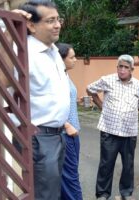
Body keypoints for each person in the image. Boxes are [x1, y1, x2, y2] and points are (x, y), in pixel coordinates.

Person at [4, 1, 71, 199]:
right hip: (38, 138)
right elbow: (0, 79)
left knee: (52, 191)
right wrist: (9, 31)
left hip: (57, 135)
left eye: (58, 19)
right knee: (44, 195)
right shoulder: (24, 53)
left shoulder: (53, 52)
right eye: (50, 21)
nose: (57, 25)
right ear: (31, 25)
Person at [86, 54, 139, 200]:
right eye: (120, 66)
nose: (122, 70)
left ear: (132, 69)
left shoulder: (138, 85)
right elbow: (90, 89)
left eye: (126, 67)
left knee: (128, 165)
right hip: (109, 130)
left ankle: (126, 193)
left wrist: (125, 113)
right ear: (117, 67)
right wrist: (101, 105)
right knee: (106, 164)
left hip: (129, 133)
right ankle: (103, 194)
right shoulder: (107, 80)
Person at [56, 43, 83, 200]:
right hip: (66, 133)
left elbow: (65, 100)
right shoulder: (57, 77)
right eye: (72, 57)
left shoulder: (65, 74)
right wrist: (66, 125)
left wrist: (75, 100)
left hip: (73, 132)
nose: (75, 60)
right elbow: (52, 104)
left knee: (68, 175)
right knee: (70, 177)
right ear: (61, 59)